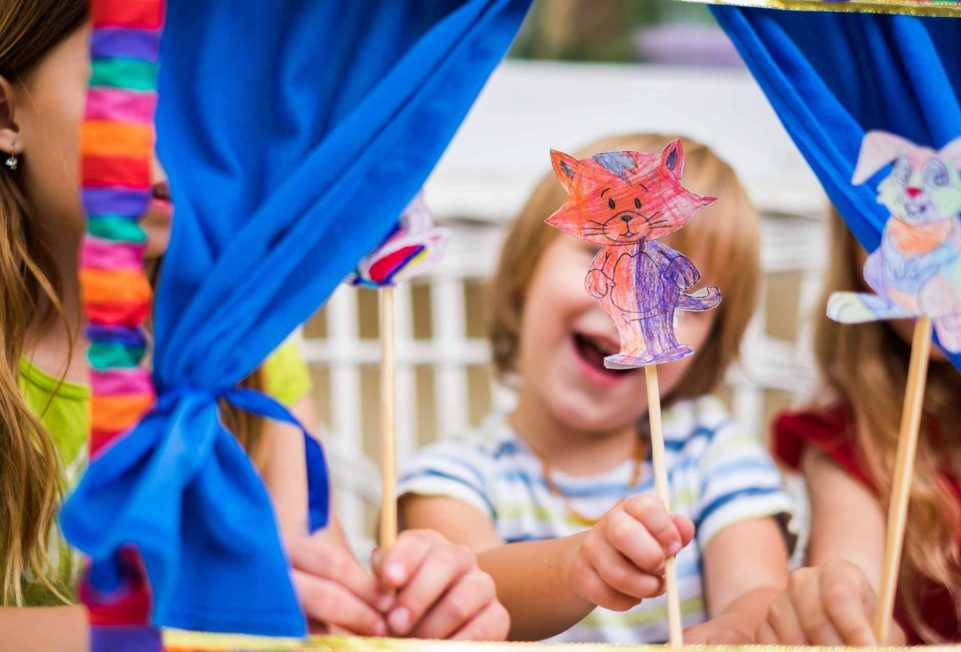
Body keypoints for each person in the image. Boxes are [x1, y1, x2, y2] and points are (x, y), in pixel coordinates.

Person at [0, 2, 507, 646]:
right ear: (6, 115)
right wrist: (183, 625)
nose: (190, 133)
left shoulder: (253, 352)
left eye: (220, 94)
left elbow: (305, 590)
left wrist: (399, 608)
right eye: (137, 81)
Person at [399, 133, 793, 644]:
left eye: (677, 289)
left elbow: (759, 592)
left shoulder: (713, 454)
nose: (630, 295)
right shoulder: (451, 476)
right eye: (598, 248)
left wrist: (736, 632)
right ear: (524, 273)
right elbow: (472, 590)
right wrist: (578, 564)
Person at [756, 208, 961, 646]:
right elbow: (852, 575)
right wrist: (838, 610)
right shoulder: (854, 443)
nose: (922, 248)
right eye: (889, 214)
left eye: (960, 212)